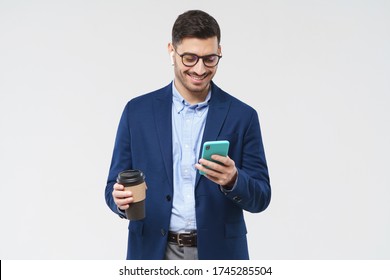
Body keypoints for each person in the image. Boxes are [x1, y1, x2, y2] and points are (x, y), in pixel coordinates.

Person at [105, 10, 271, 260]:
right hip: (152, 252)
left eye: (210, 59)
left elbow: (261, 196)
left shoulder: (242, 116)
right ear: (172, 51)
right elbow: (112, 188)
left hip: (220, 255)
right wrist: (119, 199)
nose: (200, 69)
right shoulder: (137, 112)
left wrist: (233, 179)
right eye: (190, 58)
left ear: (220, 52)